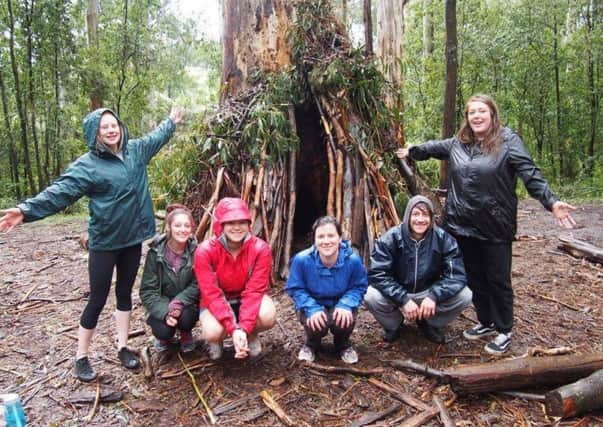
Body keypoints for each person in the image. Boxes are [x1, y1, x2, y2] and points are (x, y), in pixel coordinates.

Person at [0, 106, 184, 381]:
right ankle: (81, 357)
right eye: (104, 127)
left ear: (120, 127)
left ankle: (123, 347)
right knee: (97, 299)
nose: (111, 130)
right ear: (95, 133)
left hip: (132, 239)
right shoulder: (88, 165)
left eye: (114, 125)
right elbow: (59, 193)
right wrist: (26, 211)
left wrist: (170, 122)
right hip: (105, 243)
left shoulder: (136, 151)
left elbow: (156, 137)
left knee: (124, 294)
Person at [397, 94, 576, 355]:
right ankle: (486, 322)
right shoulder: (458, 143)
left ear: (492, 114)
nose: (477, 116)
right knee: (474, 278)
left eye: (482, 111)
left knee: (498, 279)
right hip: (459, 226)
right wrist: (411, 151)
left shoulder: (508, 142)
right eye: (472, 113)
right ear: (467, 118)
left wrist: (551, 202)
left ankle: (504, 330)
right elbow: (432, 148)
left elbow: (530, 173)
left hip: (495, 226)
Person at [365, 195, 472, 345]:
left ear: (431, 218)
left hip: (427, 292)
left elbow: (456, 276)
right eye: (416, 214)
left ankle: (430, 323)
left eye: (425, 215)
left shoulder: (443, 239)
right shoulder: (390, 239)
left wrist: (434, 296)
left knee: (465, 295)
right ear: (408, 215)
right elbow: (378, 274)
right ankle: (394, 325)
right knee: (370, 295)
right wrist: (403, 299)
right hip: (398, 290)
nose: (420, 219)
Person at [194, 197, 276, 360]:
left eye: (242, 222)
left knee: (267, 315)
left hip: (246, 299)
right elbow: (211, 294)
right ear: (221, 225)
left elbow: (254, 291)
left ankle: (251, 334)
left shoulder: (260, 249)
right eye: (230, 223)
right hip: (217, 301)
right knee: (212, 331)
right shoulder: (204, 251)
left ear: (248, 224)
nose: (237, 227)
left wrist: (244, 328)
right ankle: (217, 341)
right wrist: (233, 328)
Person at [286, 216, 368, 364]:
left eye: (331, 235)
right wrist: (311, 308)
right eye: (321, 236)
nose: (326, 241)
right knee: (316, 323)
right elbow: (295, 288)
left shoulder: (353, 260)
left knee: (344, 319)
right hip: (313, 304)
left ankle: (343, 344)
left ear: (340, 238)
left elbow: (359, 286)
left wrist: (346, 304)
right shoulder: (302, 260)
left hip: (340, 304)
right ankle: (311, 344)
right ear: (315, 240)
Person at [139, 204, 199, 353]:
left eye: (186, 226)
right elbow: (147, 290)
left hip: (185, 303)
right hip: (161, 303)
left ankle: (185, 332)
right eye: (177, 225)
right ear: (169, 227)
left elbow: (198, 284)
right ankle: (163, 337)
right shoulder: (155, 253)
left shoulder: (196, 252)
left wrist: (178, 302)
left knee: (185, 318)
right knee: (163, 330)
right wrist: (165, 312)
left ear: (191, 229)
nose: (182, 229)